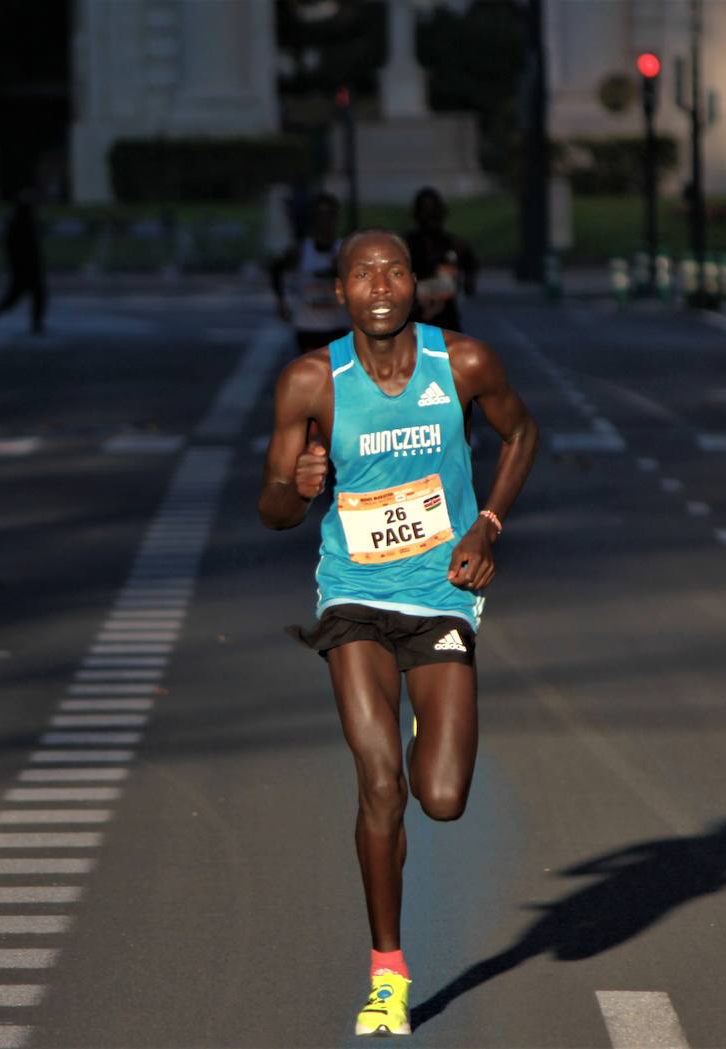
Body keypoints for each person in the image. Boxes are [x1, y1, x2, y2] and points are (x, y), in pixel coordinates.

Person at [257, 228, 537, 1036]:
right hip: (352, 595)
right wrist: (298, 487)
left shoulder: (467, 364)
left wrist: (486, 523)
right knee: (380, 784)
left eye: (395, 270)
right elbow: (272, 510)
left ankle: (421, 717)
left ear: (417, 283)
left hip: (440, 593)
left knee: (440, 798)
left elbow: (522, 434)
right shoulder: (313, 381)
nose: (380, 284)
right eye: (362, 273)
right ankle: (388, 971)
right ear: (340, 292)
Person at [269, 191, 352, 353]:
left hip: (338, 325)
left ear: (336, 218)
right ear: (313, 220)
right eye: (320, 216)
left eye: (330, 215)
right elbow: (276, 269)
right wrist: (281, 302)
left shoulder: (345, 250)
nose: (325, 221)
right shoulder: (301, 250)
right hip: (308, 326)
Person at [403, 187, 478, 332]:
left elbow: (470, 281)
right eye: (426, 211)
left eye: (433, 211)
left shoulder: (455, 245)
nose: (430, 217)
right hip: (415, 319)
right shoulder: (406, 245)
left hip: (446, 320)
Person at [0, 189, 46, 334]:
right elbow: (17, 245)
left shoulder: (21, 219)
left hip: (25, 266)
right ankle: (35, 324)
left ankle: (36, 324)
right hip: (25, 266)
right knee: (22, 297)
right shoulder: (20, 220)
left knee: (25, 296)